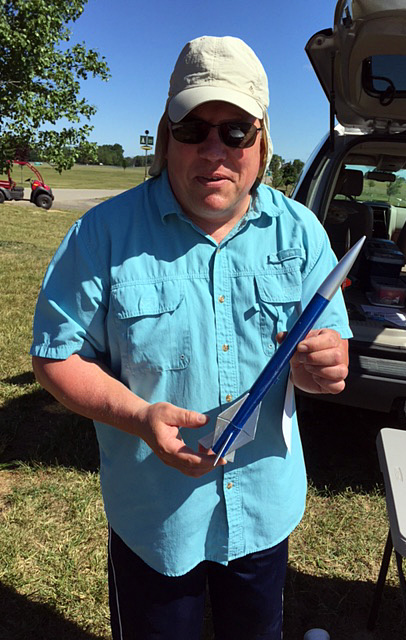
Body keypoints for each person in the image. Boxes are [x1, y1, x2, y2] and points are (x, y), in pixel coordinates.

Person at [31, 35, 351, 640]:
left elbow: (330, 350)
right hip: (155, 520)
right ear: (165, 135)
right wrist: (137, 415)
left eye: (236, 131)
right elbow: (56, 355)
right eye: (193, 128)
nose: (214, 150)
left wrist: (325, 366)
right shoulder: (102, 234)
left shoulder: (302, 232)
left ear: (262, 142)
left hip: (263, 509)